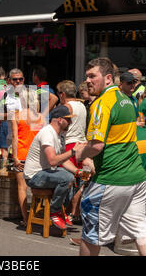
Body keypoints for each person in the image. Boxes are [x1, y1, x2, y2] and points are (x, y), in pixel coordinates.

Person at [74, 57, 146, 256]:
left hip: (111, 178)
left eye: (93, 76)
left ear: (108, 78)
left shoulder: (102, 103)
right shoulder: (126, 100)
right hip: (136, 178)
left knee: (91, 235)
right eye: (87, 76)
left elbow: (97, 146)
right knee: (142, 232)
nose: (88, 80)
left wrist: (80, 152)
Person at [24, 105, 78, 230]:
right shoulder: (47, 133)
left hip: (46, 172)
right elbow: (53, 161)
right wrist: (73, 151)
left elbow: (63, 160)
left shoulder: (58, 135)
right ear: (60, 119)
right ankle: (55, 211)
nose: (70, 122)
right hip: (34, 176)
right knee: (67, 178)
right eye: (68, 119)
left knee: (73, 177)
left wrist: (78, 171)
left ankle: (59, 209)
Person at [56, 80, 88, 224]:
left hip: (70, 144)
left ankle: (64, 213)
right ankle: (73, 212)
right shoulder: (82, 105)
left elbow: (62, 127)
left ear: (62, 94)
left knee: (67, 181)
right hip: (82, 143)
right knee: (79, 181)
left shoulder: (66, 107)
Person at [11, 88, 44, 226]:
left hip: (22, 154)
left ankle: (26, 219)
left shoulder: (17, 116)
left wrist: (15, 156)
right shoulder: (41, 117)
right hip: (37, 157)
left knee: (21, 187)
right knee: (37, 188)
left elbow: (14, 137)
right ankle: (37, 215)